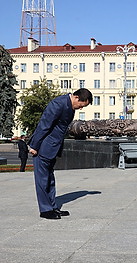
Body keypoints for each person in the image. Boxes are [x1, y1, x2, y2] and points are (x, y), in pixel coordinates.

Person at [29, 88, 93, 220]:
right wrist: (34, 146)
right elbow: (44, 125)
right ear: (76, 98)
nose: (80, 108)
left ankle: (52, 207)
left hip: (52, 147)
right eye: (81, 105)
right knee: (42, 179)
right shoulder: (58, 104)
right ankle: (45, 210)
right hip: (43, 146)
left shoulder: (69, 106)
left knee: (50, 179)